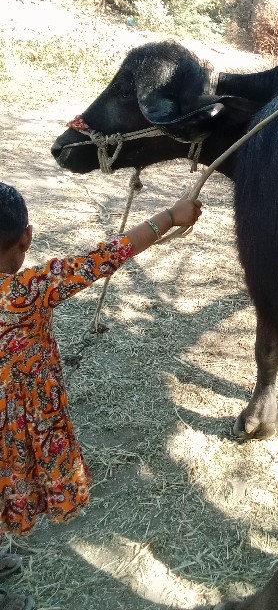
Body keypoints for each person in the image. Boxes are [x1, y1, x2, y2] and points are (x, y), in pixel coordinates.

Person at [0, 182, 202, 610]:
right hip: (20, 424)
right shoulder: (30, 289)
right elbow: (104, 257)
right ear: (27, 238)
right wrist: (169, 215)